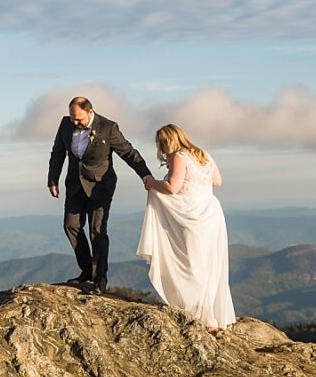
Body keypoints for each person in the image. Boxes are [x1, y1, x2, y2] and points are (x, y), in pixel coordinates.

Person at [47, 96, 153, 294]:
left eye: (78, 119)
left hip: (100, 186)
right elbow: (58, 152)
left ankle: (100, 278)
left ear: (90, 111)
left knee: (97, 231)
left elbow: (129, 153)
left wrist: (145, 175)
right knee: (71, 226)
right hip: (75, 185)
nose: (74, 122)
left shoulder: (108, 127)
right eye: (72, 118)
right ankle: (86, 271)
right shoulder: (65, 124)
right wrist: (53, 179)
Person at [136, 124, 235, 331]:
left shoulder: (179, 157)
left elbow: (172, 186)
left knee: (189, 261)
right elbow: (217, 181)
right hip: (211, 213)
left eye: (161, 144)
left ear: (167, 141)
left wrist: (151, 182)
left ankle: (196, 310)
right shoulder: (202, 153)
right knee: (206, 263)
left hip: (190, 215)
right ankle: (207, 311)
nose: (161, 149)